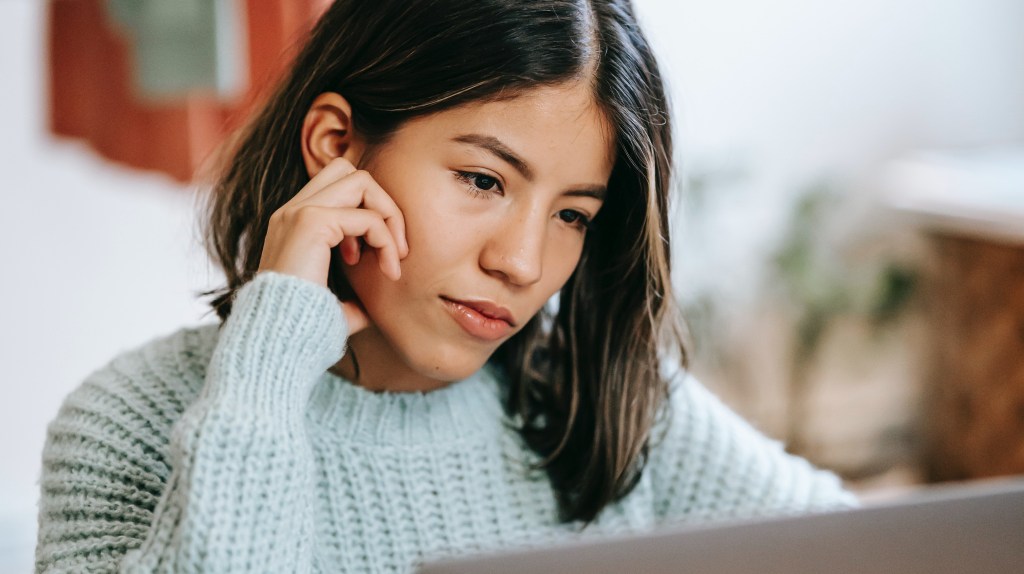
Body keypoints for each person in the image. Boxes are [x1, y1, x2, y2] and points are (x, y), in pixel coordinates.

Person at [34, 0, 858, 572]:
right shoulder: (127, 424)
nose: (523, 263)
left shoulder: (605, 410)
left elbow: (878, 553)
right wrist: (270, 357)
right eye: (483, 181)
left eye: (573, 216)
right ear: (336, 145)